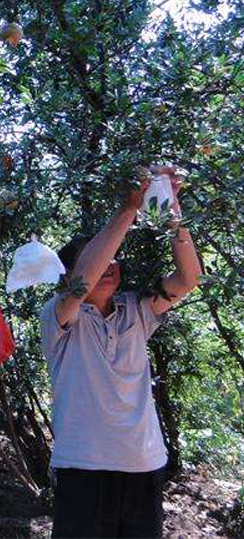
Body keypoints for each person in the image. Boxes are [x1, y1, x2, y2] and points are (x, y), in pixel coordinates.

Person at [40, 166, 201, 538]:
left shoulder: (137, 310)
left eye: (114, 259)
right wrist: (128, 210)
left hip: (143, 464)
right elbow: (83, 283)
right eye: (99, 259)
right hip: (82, 468)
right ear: (66, 274)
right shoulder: (60, 315)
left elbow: (188, 279)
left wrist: (171, 209)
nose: (109, 266)